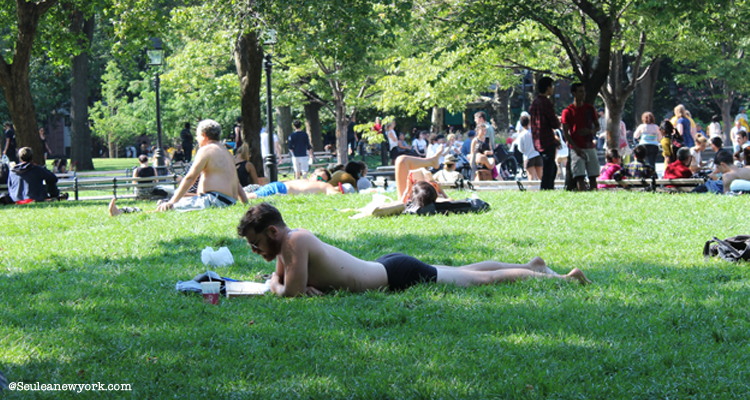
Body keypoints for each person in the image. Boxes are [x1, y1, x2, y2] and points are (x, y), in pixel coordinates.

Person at [236, 203, 590, 297]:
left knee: (481, 280)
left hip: (396, 275)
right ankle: (534, 266)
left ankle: (561, 278)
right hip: (384, 268)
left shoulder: (295, 242)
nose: (256, 251)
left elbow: (289, 292)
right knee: (468, 269)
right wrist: (279, 281)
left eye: (256, 244)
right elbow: (288, 284)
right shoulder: (284, 248)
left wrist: (275, 285)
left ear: (272, 231)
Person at [109, 120, 248, 216]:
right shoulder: (226, 153)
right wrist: (245, 203)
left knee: (168, 208)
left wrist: (172, 202)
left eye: (197, 136)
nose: (197, 139)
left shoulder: (206, 150)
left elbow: (190, 178)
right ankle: (130, 211)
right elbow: (236, 182)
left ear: (204, 136)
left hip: (214, 201)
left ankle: (124, 214)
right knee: (173, 202)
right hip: (226, 200)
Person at [561, 82, 600, 191]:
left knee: (593, 176)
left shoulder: (590, 109)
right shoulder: (567, 111)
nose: (583, 94)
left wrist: (590, 131)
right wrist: (575, 147)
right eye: (580, 91)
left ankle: (594, 195)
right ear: (574, 93)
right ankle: (582, 195)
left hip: (589, 146)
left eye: (584, 91)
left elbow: (598, 126)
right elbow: (565, 132)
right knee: (579, 177)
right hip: (576, 148)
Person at [530, 77, 562, 190]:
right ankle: (546, 189)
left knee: (551, 167)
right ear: (548, 88)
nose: (553, 89)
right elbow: (554, 123)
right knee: (549, 169)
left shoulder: (534, 103)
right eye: (552, 86)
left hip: (538, 141)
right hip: (547, 140)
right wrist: (559, 121)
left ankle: (548, 188)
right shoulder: (546, 102)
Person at [247, 168, 340, 198]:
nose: (320, 182)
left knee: (249, 195)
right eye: (319, 177)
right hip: (279, 189)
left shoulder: (308, 183)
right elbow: (336, 196)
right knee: (249, 197)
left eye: (323, 180)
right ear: (312, 175)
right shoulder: (306, 182)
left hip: (279, 188)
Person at [515, 115, 542, 181]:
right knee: (541, 177)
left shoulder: (521, 135)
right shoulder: (536, 131)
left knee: (531, 178)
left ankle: (532, 190)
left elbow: (521, 149)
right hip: (538, 155)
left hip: (528, 156)